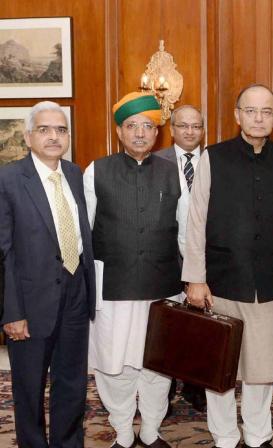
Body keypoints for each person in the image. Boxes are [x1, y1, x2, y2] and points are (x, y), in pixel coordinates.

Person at [182, 83, 273, 448]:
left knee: (261, 368)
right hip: (221, 279)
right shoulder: (214, 157)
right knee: (220, 366)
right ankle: (223, 436)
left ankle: (258, 434)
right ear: (237, 115)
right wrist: (195, 278)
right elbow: (196, 219)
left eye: (267, 111)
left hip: (269, 279)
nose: (259, 118)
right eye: (251, 110)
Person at [85, 92, 185, 448]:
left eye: (148, 126)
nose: (140, 133)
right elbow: (86, 234)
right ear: (119, 132)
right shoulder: (97, 170)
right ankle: (124, 433)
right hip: (113, 287)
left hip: (163, 287)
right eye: (132, 126)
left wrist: (192, 282)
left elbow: (185, 230)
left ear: (158, 132)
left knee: (158, 366)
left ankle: (151, 431)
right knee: (115, 365)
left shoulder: (173, 172)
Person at [0, 101, 95, 447]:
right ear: (28, 137)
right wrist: (12, 312)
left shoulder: (74, 173)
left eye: (61, 129)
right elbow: (3, 253)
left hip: (75, 294)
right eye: (44, 129)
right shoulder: (8, 179)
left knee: (71, 382)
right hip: (29, 302)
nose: (54, 136)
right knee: (29, 386)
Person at [154, 104, 207, 413]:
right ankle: (166, 391)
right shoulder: (156, 161)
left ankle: (197, 387)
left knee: (202, 329)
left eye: (196, 126)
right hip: (166, 259)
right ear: (171, 129)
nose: (190, 131)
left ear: (202, 131)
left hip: (203, 259)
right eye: (183, 126)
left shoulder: (215, 160)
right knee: (168, 329)